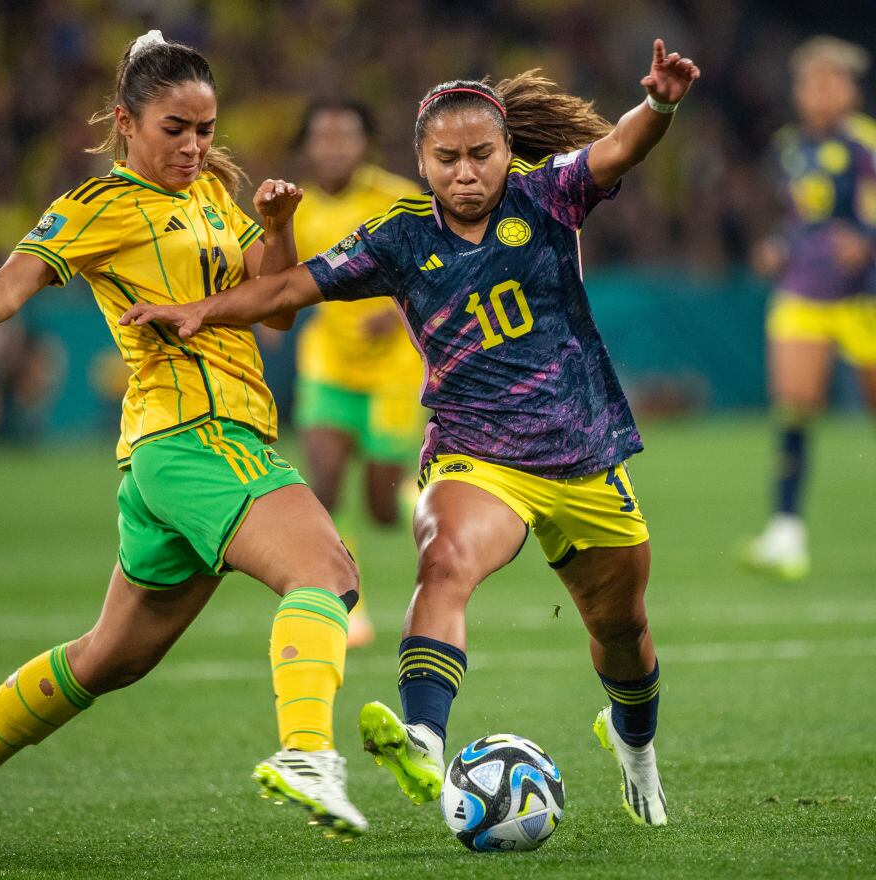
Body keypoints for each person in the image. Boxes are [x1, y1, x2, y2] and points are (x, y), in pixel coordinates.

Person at [120, 39, 700, 828]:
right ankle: (424, 737)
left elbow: (623, 143)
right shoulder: (398, 238)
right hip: (477, 454)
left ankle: (635, 745)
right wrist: (199, 311)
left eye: (481, 155)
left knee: (623, 630)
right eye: (448, 158)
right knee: (445, 560)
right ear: (421, 163)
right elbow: (292, 286)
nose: (467, 173)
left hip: (582, 451)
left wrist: (661, 102)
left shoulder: (549, 196)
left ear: (504, 152)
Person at [0, 31, 368, 852]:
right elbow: (9, 284)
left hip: (183, 450)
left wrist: (277, 227)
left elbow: (280, 309)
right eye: (175, 129)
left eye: (206, 129)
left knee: (109, 660)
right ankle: (306, 753)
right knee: (325, 570)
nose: (194, 146)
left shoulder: (210, 197)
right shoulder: (98, 207)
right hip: (193, 436)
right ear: (126, 121)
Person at [290, 100, 423, 647]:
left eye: (346, 135)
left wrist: (394, 313)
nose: (334, 146)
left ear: (364, 143)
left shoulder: (398, 199)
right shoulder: (294, 211)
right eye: (323, 136)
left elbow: (433, 267)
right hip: (328, 362)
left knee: (382, 506)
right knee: (322, 485)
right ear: (308, 147)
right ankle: (351, 608)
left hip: (392, 369)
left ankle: (426, 505)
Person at [744, 36, 876, 580]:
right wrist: (777, 243)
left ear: (851, 89)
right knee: (794, 407)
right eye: (810, 82)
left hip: (864, 296)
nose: (819, 93)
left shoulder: (865, 143)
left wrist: (866, 237)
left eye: (831, 81)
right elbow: (795, 216)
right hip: (804, 290)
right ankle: (785, 531)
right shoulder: (788, 147)